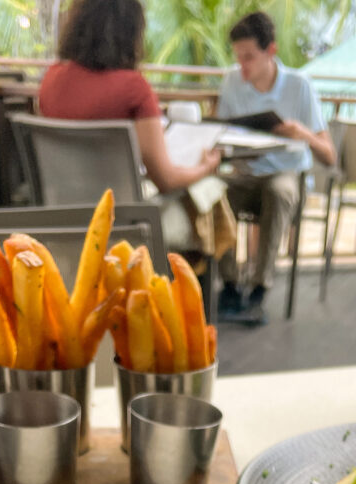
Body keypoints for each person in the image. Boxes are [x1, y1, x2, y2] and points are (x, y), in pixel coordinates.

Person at [214, 10, 336, 326]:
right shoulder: (230, 81)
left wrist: (302, 133)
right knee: (211, 191)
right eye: (238, 58)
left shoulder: (300, 86)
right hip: (245, 173)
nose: (242, 67)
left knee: (278, 191)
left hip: (286, 175)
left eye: (249, 57)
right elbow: (221, 135)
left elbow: (329, 156)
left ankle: (258, 291)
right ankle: (229, 285)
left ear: (271, 51)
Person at [38, 0, 220, 198]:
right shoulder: (134, 89)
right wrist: (205, 168)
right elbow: (166, 179)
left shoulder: (51, 79)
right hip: (121, 218)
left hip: (60, 212)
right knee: (208, 191)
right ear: (131, 33)